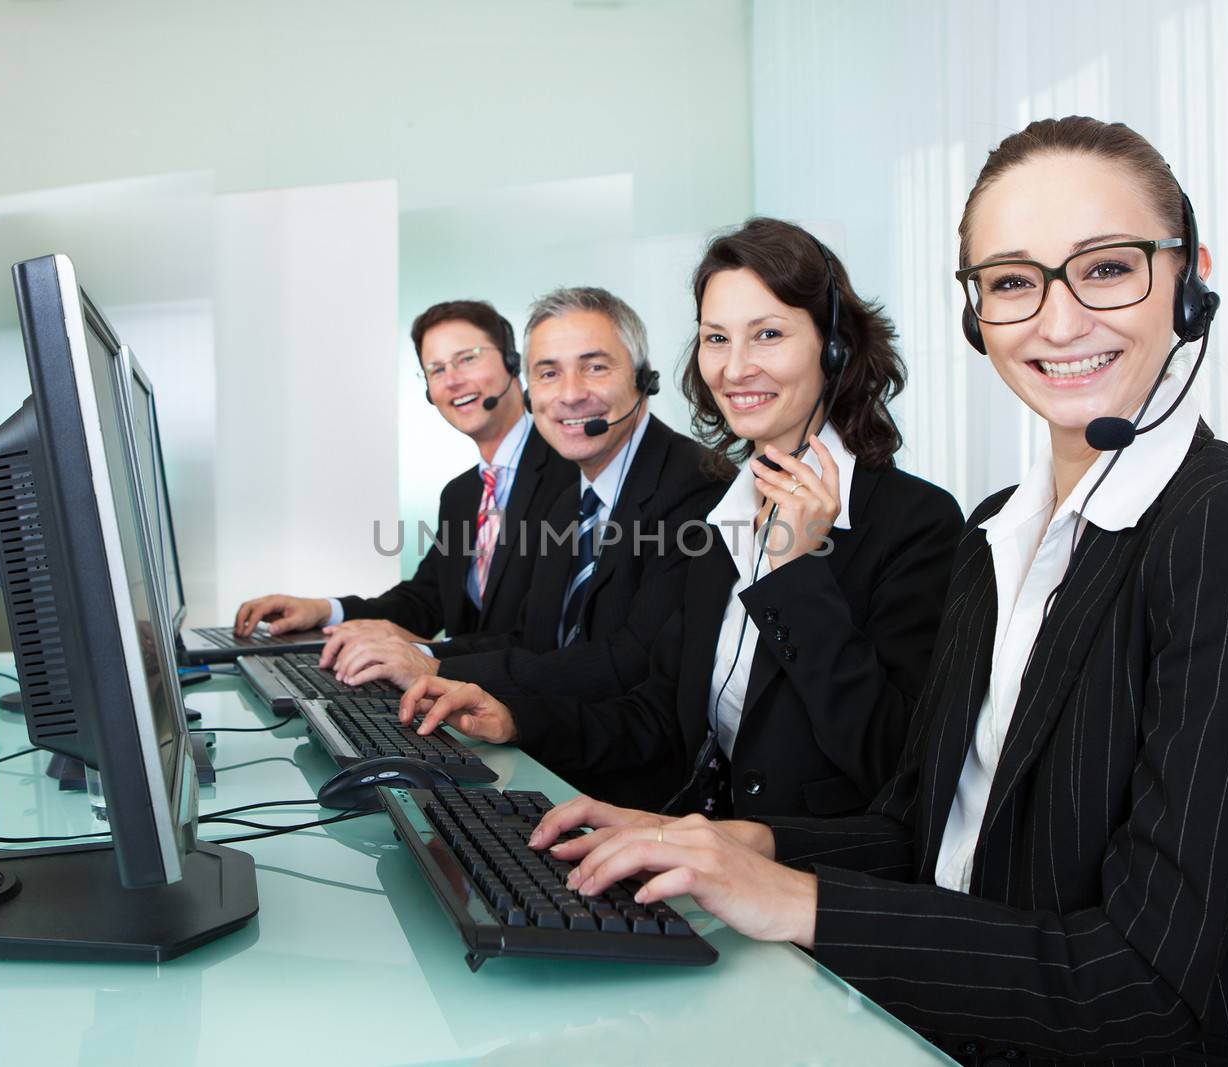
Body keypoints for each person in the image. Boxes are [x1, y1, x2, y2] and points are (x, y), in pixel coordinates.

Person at [524, 119, 1228, 1067]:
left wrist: (800, 899)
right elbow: (923, 831)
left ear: (1190, 278)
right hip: (954, 1015)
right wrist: (723, 840)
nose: (1060, 320)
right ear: (977, 312)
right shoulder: (1001, 529)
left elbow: (1146, 984)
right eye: (1012, 281)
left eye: (1108, 267)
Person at [400, 218, 962, 820]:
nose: (736, 368)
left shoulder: (917, 523)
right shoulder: (723, 515)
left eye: (767, 334)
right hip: (693, 843)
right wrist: (514, 717)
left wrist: (795, 575)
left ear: (834, 347)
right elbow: (661, 716)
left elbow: (897, 766)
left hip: (804, 881)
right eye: (716, 339)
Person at [320, 287, 728, 700]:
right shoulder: (570, 500)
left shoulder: (689, 483)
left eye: (595, 367)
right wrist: (416, 653)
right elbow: (528, 638)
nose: (570, 394)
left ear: (644, 377)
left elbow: (628, 664)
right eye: (549, 373)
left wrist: (436, 666)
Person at [233, 300, 576, 646]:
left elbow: (549, 637)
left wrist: (426, 653)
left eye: (467, 359)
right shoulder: (462, 494)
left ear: (512, 361)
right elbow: (424, 603)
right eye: (436, 369)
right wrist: (325, 610)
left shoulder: (572, 474)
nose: (452, 380)